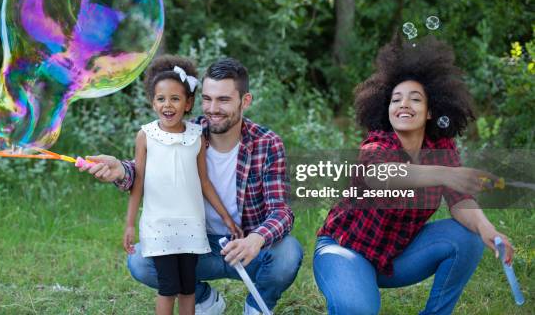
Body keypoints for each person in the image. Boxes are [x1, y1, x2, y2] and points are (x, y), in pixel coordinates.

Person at [80, 58, 303, 314]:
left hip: (245, 247)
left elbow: (282, 211)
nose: (213, 108)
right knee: (142, 261)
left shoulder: (266, 143)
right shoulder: (188, 131)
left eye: (224, 100)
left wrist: (255, 239)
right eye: (207, 99)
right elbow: (144, 169)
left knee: (287, 253)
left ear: (245, 101)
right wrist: (119, 169)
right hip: (194, 242)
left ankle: (255, 306)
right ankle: (205, 299)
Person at [313, 36, 515, 315]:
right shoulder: (377, 144)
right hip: (346, 252)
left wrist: (488, 231)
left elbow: (460, 200)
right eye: (396, 99)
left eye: (415, 99)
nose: (403, 104)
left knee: (467, 237)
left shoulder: (441, 147)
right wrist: (445, 174)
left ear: (431, 111)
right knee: (356, 309)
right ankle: (353, 287)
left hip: (397, 257)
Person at [122, 55, 241, 315]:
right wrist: (130, 223)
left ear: (188, 103)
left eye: (175, 99)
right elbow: (138, 182)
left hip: (190, 225)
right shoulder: (146, 136)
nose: (167, 105)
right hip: (159, 226)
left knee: (188, 287)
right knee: (168, 287)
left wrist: (226, 218)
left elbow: (204, 181)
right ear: (153, 102)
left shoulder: (196, 135)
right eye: (161, 99)